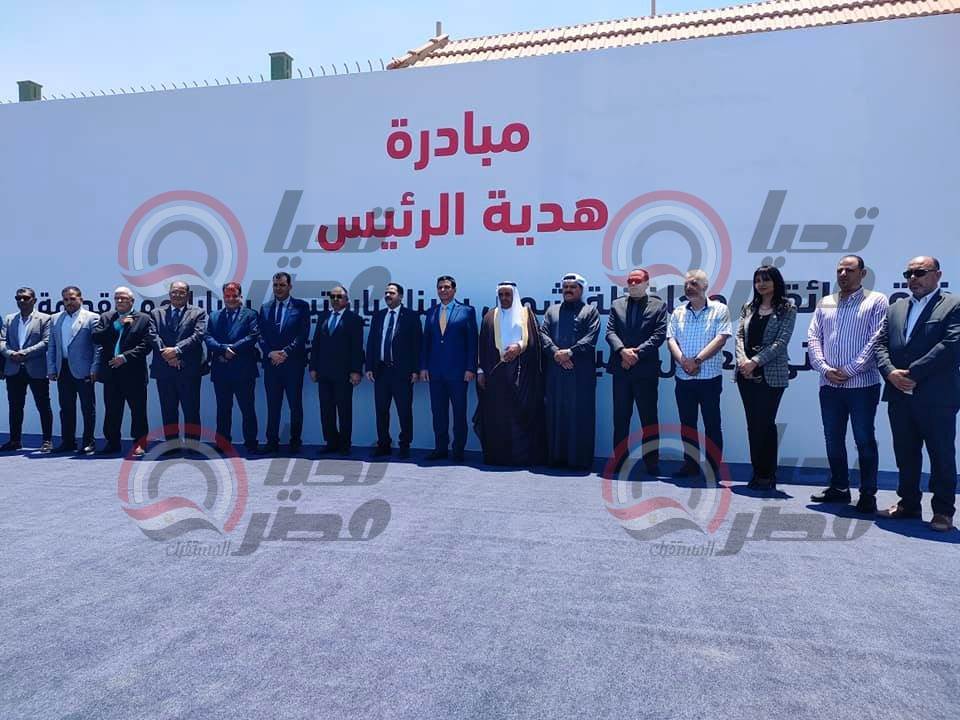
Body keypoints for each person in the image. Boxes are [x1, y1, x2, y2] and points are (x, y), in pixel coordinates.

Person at [875, 256, 960, 532]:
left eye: (920, 272)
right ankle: (908, 503)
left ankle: (943, 511)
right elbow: (880, 345)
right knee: (905, 453)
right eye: (909, 273)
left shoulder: (953, 304)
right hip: (899, 394)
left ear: (938, 275)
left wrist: (912, 373)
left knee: (941, 455)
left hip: (936, 397)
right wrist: (891, 373)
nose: (913, 278)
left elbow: (952, 345)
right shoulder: (896, 307)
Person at [807, 255, 888, 513]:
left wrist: (850, 370)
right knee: (833, 438)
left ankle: (868, 493)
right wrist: (825, 369)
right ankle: (839, 488)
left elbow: (876, 340)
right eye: (840, 270)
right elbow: (813, 338)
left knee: (864, 439)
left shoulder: (876, 300)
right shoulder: (825, 302)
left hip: (862, 386)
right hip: (829, 385)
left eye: (849, 270)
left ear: (862, 274)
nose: (843, 274)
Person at [734, 266, 797, 490]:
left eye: (766, 280)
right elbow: (739, 336)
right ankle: (757, 472)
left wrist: (755, 361)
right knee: (753, 424)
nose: (761, 284)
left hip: (771, 375)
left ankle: (768, 474)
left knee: (766, 424)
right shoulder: (748, 307)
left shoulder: (787, 308)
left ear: (775, 282)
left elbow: (781, 342)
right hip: (746, 374)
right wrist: (743, 361)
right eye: (758, 280)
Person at [666, 270, 732, 478]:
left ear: (705, 286)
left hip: (709, 378)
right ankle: (691, 465)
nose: (689, 287)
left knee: (712, 424)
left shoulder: (719, 309)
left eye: (694, 283)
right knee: (687, 425)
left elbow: (721, 339)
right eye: (686, 284)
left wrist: (696, 361)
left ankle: (713, 467)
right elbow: (670, 339)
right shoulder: (678, 312)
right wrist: (683, 362)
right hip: (683, 377)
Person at [475, 281, 545, 466]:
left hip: (522, 376)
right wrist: (480, 371)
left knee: (521, 415)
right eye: (501, 295)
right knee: (498, 417)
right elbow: (481, 346)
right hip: (496, 376)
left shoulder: (526, 314)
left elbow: (536, 342)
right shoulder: (490, 316)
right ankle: (499, 456)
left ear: (514, 295)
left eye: (508, 294)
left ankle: (523, 458)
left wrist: (520, 346)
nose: (504, 298)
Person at [605, 267, 668, 474]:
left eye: (637, 281)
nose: (633, 284)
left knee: (649, 419)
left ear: (647, 283)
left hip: (646, 372)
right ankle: (620, 460)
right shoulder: (617, 305)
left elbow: (658, 336)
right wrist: (622, 352)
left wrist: (635, 355)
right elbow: (610, 332)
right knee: (620, 418)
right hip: (621, 370)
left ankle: (651, 462)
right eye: (630, 281)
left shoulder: (659, 306)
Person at [540, 272, 600, 470]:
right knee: (555, 413)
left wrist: (570, 353)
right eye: (565, 287)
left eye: (573, 287)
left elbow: (591, 338)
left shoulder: (590, 311)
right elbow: (543, 334)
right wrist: (556, 353)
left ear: (581, 290)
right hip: (556, 373)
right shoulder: (552, 311)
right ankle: (555, 458)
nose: (568, 290)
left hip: (580, 374)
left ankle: (579, 460)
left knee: (580, 415)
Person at [420, 275, 478, 462]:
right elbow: (426, 342)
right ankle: (440, 448)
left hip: (458, 372)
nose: (443, 290)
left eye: (446, 287)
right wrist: (424, 367)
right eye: (440, 287)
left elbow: (472, 342)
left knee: (459, 413)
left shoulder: (467, 311)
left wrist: (470, 368)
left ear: (454, 290)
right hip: (435, 372)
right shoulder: (431, 312)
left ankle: (458, 450)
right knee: (438, 412)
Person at [148, 281, 208, 454]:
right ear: (169, 293)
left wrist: (176, 350)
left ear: (188, 294)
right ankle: (171, 445)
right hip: (164, 370)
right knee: (168, 410)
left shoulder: (198, 312)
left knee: (191, 410)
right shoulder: (156, 313)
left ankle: (193, 445)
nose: (177, 295)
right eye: (174, 292)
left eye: (182, 292)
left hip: (189, 370)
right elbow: (152, 335)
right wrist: (168, 355)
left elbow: (198, 335)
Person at [92, 286, 152, 457]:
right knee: (112, 410)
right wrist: (117, 325)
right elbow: (97, 337)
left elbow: (146, 345)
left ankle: (140, 444)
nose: (119, 301)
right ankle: (112, 442)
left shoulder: (144, 318)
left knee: (138, 411)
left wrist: (125, 357)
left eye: (124, 298)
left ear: (132, 301)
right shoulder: (107, 317)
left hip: (134, 373)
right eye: (117, 298)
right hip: (111, 373)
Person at [366, 282, 422, 459]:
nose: (388, 295)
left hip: (402, 372)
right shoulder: (379, 316)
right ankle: (383, 444)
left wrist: (415, 370)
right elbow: (372, 342)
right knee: (381, 410)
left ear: (401, 296)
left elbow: (417, 345)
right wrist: (369, 367)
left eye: (392, 293)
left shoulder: (411, 316)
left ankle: (405, 445)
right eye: (386, 293)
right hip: (381, 371)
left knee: (404, 410)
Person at [256, 272, 310, 454]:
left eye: (282, 285)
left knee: (295, 405)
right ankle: (272, 441)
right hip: (272, 365)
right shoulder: (265, 308)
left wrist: (286, 352)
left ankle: (295, 441)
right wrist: (270, 353)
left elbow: (303, 334)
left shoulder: (301, 307)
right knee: (273, 405)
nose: (278, 289)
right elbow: (260, 334)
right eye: (275, 285)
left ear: (290, 286)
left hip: (293, 364)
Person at [205, 282, 260, 453]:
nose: (231, 299)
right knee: (223, 409)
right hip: (221, 370)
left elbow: (253, 336)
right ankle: (222, 442)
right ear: (223, 297)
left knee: (247, 409)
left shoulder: (251, 314)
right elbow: (208, 337)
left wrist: (233, 350)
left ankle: (251, 442)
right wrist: (223, 349)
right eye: (227, 296)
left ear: (240, 296)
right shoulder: (214, 316)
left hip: (244, 370)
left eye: (234, 296)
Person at [46, 286, 100, 455]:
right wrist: (51, 368)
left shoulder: (92, 318)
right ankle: (68, 441)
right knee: (66, 408)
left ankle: (89, 442)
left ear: (81, 299)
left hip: (84, 370)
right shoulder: (55, 318)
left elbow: (98, 347)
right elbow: (52, 345)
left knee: (87, 408)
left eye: (72, 298)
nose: (68, 302)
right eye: (65, 299)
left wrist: (95, 368)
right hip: (63, 369)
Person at [310, 285, 363, 456]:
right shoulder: (323, 317)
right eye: (332, 296)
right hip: (324, 372)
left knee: (344, 410)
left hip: (344, 373)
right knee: (326, 410)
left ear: (346, 300)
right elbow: (316, 344)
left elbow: (357, 347)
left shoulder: (354, 319)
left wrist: (356, 370)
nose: (335, 299)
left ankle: (344, 444)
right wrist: (313, 367)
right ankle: (331, 442)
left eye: (339, 296)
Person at [0, 287, 53, 452]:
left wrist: (24, 353)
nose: (21, 301)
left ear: (34, 300)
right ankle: (15, 440)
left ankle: (47, 441)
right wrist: (11, 354)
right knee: (15, 406)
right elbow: (2, 341)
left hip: (36, 369)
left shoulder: (45, 319)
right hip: (13, 368)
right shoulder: (9, 319)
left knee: (43, 406)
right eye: (18, 298)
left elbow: (46, 342)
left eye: (25, 298)